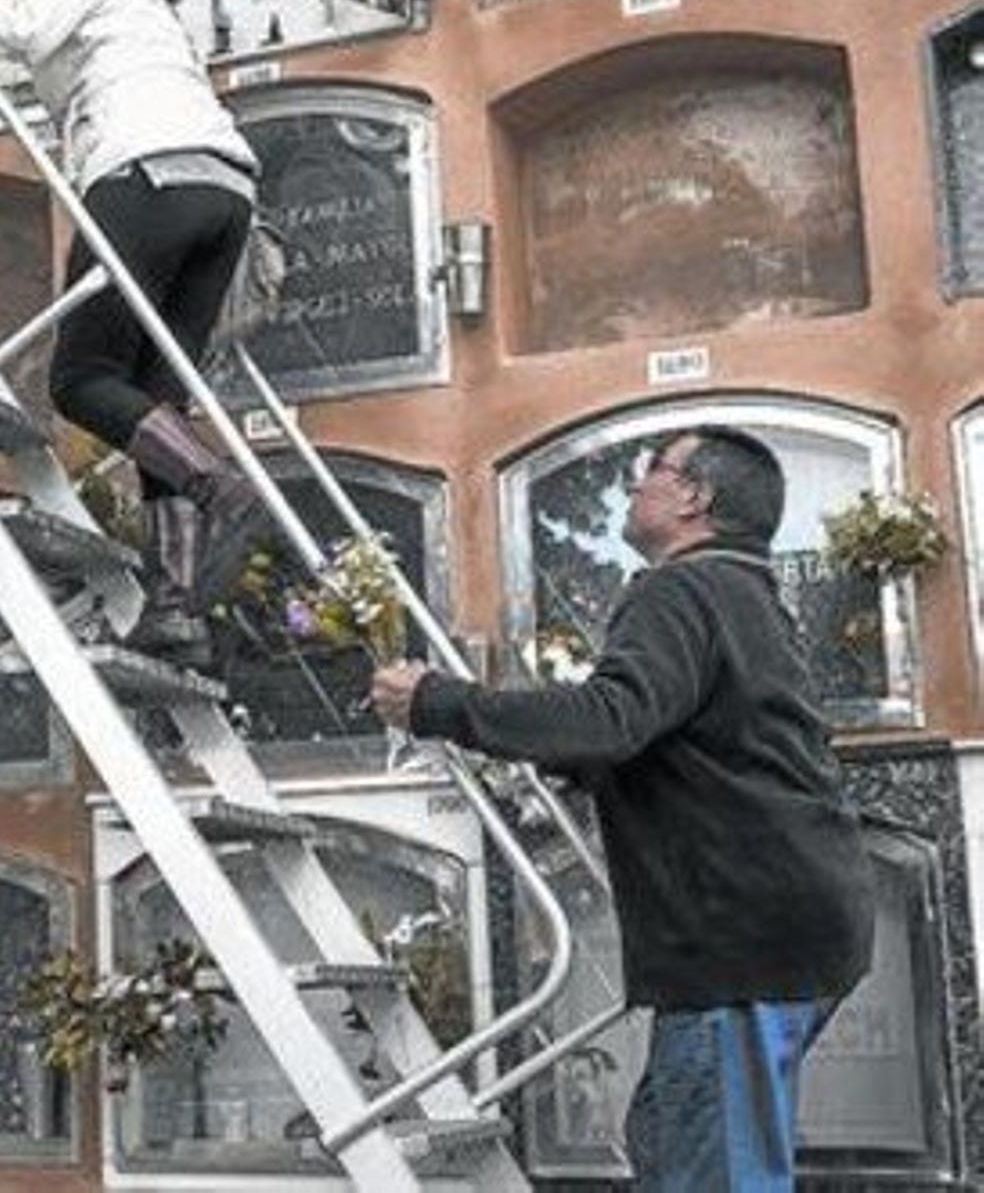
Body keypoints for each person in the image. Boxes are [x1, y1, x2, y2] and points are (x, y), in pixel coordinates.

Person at [372, 425, 875, 1191]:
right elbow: (685, 736)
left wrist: (441, 703)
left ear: (694, 497)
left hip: (738, 942)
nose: (634, 485)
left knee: (709, 1170)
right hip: (793, 924)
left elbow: (614, 719)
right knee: (672, 1143)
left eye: (652, 470)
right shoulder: (746, 593)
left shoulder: (682, 588)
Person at [0, 0, 262, 653]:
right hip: (220, 186)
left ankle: (221, 489)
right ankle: (177, 609)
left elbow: (23, 28)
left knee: (80, 380)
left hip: (144, 169)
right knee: (152, 403)